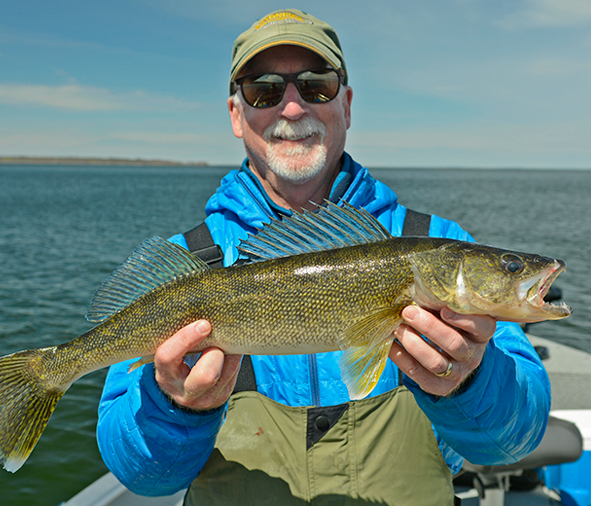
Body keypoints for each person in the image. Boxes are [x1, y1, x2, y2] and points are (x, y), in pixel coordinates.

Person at [97, 9, 550, 505]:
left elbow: (514, 440)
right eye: (263, 90)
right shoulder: (188, 261)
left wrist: (470, 381)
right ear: (235, 113)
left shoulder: (437, 239)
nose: (292, 108)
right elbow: (142, 477)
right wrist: (176, 408)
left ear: (347, 105)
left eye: (316, 86)